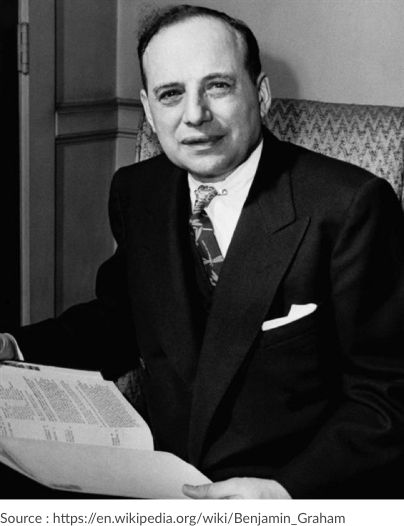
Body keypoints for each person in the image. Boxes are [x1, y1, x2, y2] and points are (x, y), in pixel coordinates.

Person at [2, 4, 404, 499]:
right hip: (160, 479)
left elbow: (386, 393)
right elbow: (122, 319)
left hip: (288, 491)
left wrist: (285, 491)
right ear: (149, 110)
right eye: (171, 94)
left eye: (218, 86)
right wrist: (15, 348)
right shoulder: (137, 192)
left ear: (260, 94)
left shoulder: (350, 205)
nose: (195, 115)